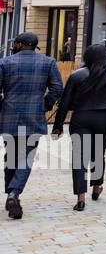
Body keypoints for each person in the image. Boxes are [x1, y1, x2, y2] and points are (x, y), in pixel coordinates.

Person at [52, 44, 106, 211]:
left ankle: (80, 198)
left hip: (81, 118)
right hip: (103, 118)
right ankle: (97, 186)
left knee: (79, 158)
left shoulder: (77, 75)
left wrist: (58, 126)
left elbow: (64, 103)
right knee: (98, 154)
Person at [0, 32, 64, 220]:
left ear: (20, 44)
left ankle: (11, 192)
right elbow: (57, 88)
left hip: (9, 115)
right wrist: (44, 104)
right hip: (33, 115)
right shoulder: (48, 62)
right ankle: (14, 193)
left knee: (11, 154)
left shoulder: (5, 62)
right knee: (26, 156)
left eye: (15, 43)